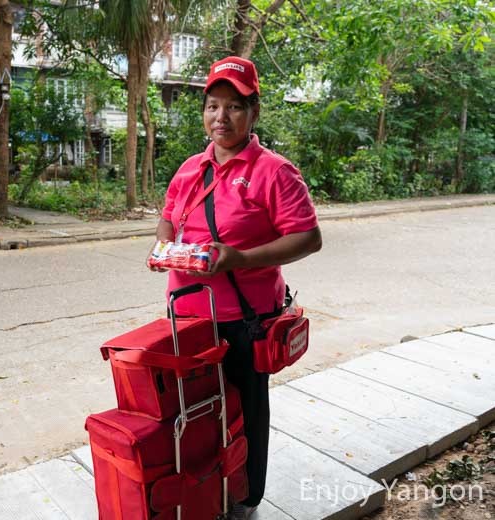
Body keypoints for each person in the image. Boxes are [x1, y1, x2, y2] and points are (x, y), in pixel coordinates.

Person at [149, 56, 322, 520]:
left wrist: (240, 258)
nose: (220, 117)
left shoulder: (275, 171)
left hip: (245, 321)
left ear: (254, 113)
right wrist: (166, 247)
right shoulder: (189, 168)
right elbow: (169, 219)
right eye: (212, 106)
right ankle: (204, 493)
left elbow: (308, 238)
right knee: (194, 414)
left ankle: (245, 498)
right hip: (186, 318)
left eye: (233, 107)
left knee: (245, 413)